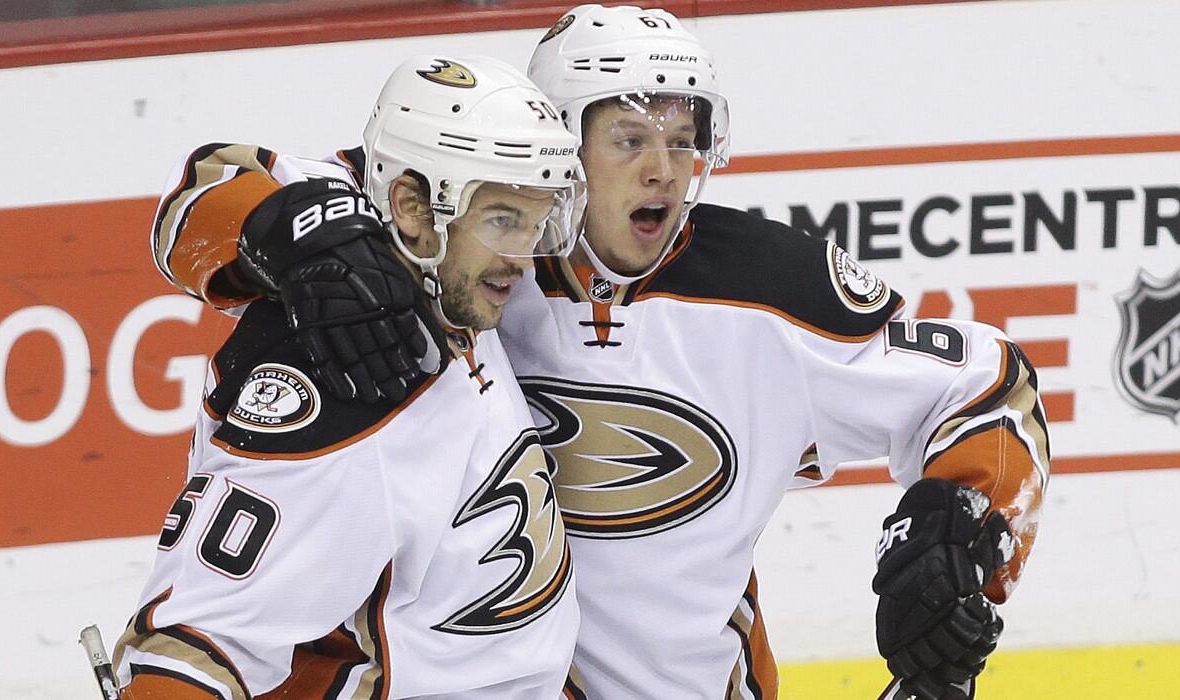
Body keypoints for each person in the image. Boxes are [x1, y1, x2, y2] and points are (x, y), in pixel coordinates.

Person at [149, 6, 1048, 700]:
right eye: (629, 137)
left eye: (684, 138)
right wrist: (294, 235)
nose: (666, 166)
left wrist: (965, 531)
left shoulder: (774, 290)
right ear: (559, 145)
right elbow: (203, 197)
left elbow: (987, 387)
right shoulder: (460, 233)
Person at [112, 55, 590, 699]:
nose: (524, 261)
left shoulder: (413, 232)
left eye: (535, 223)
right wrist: (285, 233)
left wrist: (299, 231)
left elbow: (217, 178)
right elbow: (197, 648)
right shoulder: (346, 382)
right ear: (414, 207)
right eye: (504, 220)